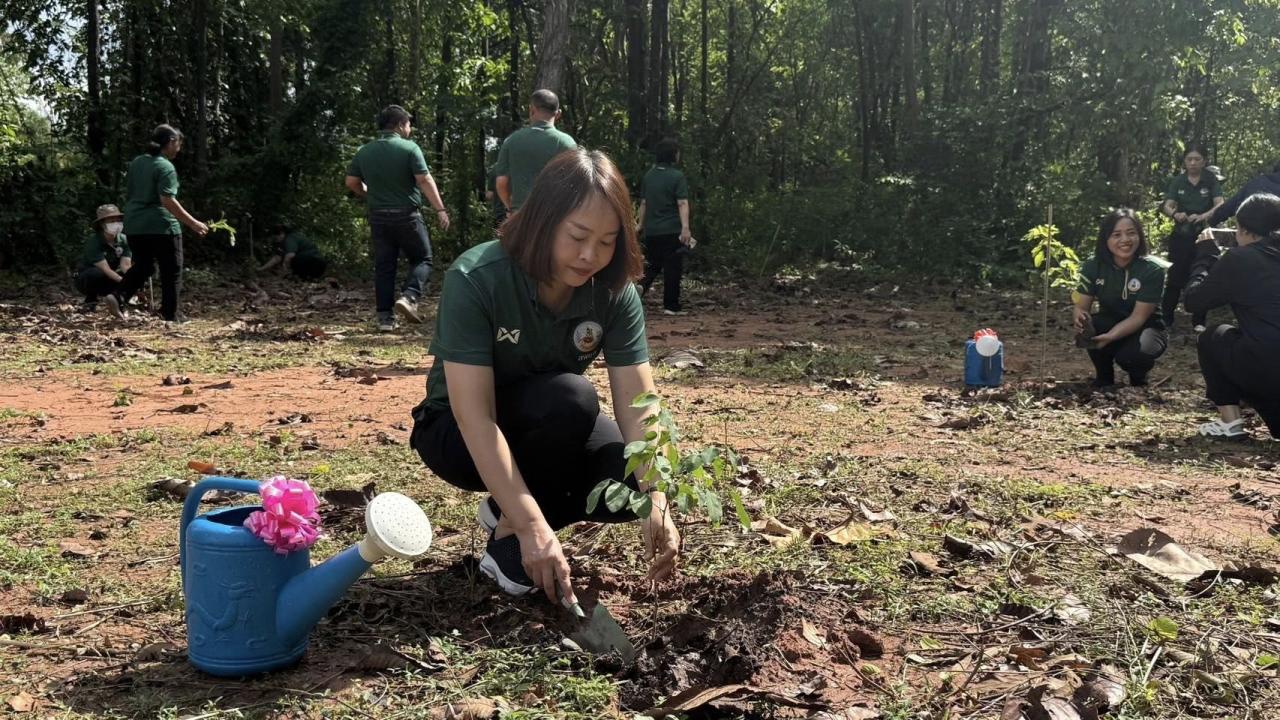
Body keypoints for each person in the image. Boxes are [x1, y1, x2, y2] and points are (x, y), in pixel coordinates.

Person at [409, 148, 678, 606]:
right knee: (571, 398)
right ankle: (521, 524)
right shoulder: (478, 278)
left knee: (627, 479)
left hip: (553, 426)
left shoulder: (613, 293)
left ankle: (505, 517)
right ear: (543, 220)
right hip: (456, 432)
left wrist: (659, 499)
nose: (590, 255)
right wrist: (534, 524)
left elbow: (641, 405)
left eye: (608, 241)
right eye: (577, 236)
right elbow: (475, 416)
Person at [345, 105, 450, 331]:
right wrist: (440, 209)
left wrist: (369, 193)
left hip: (378, 217)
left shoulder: (365, 151)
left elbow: (351, 183)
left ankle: (385, 319)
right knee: (423, 258)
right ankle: (410, 297)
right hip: (407, 215)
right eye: (409, 124)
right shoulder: (409, 148)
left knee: (384, 266)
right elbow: (424, 180)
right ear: (400, 125)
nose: (410, 129)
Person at [1186, 193, 1280, 440]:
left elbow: (1194, 301)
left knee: (1212, 336)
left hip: (1269, 372)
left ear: (1243, 229)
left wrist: (1205, 257)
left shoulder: (1241, 258)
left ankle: (1231, 424)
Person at [115, 124, 208, 323]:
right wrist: (192, 223)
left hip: (134, 224)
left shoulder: (137, 162)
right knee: (171, 269)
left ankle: (118, 296)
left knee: (144, 266)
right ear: (171, 141)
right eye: (179, 144)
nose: (179, 149)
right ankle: (170, 314)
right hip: (161, 226)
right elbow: (167, 200)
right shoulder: (165, 166)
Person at [1072, 208, 1169, 388]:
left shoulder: (1152, 269)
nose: (1125, 240)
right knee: (1093, 324)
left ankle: (1139, 381)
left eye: (1131, 233)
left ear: (1139, 236)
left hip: (1147, 328)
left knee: (1132, 357)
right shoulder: (1093, 266)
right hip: (1110, 321)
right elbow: (1081, 306)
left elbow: (1138, 317)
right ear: (1106, 239)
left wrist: (1111, 337)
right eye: (1116, 234)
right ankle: (1103, 379)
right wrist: (1080, 320)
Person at [1159, 145, 1223, 332]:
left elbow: (1220, 204)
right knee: (1174, 277)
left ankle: (1199, 321)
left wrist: (1203, 216)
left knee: (1202, 275)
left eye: (1197, 159)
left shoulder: (1210, 180)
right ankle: (1166, 319)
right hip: (1181, 235)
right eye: (1189, 159)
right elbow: (1167, 205)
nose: (1193, 163)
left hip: (1204, 236)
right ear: (1185, 161)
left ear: (1204, 161)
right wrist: (1175, 214)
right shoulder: (1178, 181)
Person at [636, 138, 694, 316]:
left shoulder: (649, 176)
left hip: (653, 230)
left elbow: (644, 203)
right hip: (672, 229)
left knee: (651, 266)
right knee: (672, 268)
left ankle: (635, 294)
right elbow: (682, 203)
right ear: (673, 155)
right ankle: (671, 305)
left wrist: (639, 225)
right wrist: (685, 228)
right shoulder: (677, 176)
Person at [494, 89, 577, 214]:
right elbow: (575, 185)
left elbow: (501, 182)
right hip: (552, 217)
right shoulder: (567, 143)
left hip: (520, 215)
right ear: (558, 114)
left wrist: (509, 207)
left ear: (531, 110)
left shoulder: (511, 141)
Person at [74, 204, 132, 318]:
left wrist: (133, 280)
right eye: (111, 220)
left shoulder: (124, 240)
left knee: (137, 273)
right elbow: (105, 269)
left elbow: (126, 265)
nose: (115, 223)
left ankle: (118, 301)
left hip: (111, 276)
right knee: (96, 273)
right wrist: (125, 282)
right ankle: (91, 300)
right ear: (102, 224)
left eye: (117, 220)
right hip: (88, 279)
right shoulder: (94, 242)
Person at [1204, 160, 1280, 228]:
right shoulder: (1258, 183)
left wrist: (1212, 221)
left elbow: (1229, 207)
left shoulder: (1257, 182)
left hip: (1251, 234)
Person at [259, 224, 328, 281]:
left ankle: (299, 278)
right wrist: (261, 269)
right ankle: (306, 279)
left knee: (293, 260)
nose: (276, 240)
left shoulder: (289, 238)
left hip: (314, 262)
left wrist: (285, 270)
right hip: (317, 264)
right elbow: (277, 258)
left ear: (282, 234)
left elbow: (290, 255)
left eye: (276, 238)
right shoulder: (282, 243)